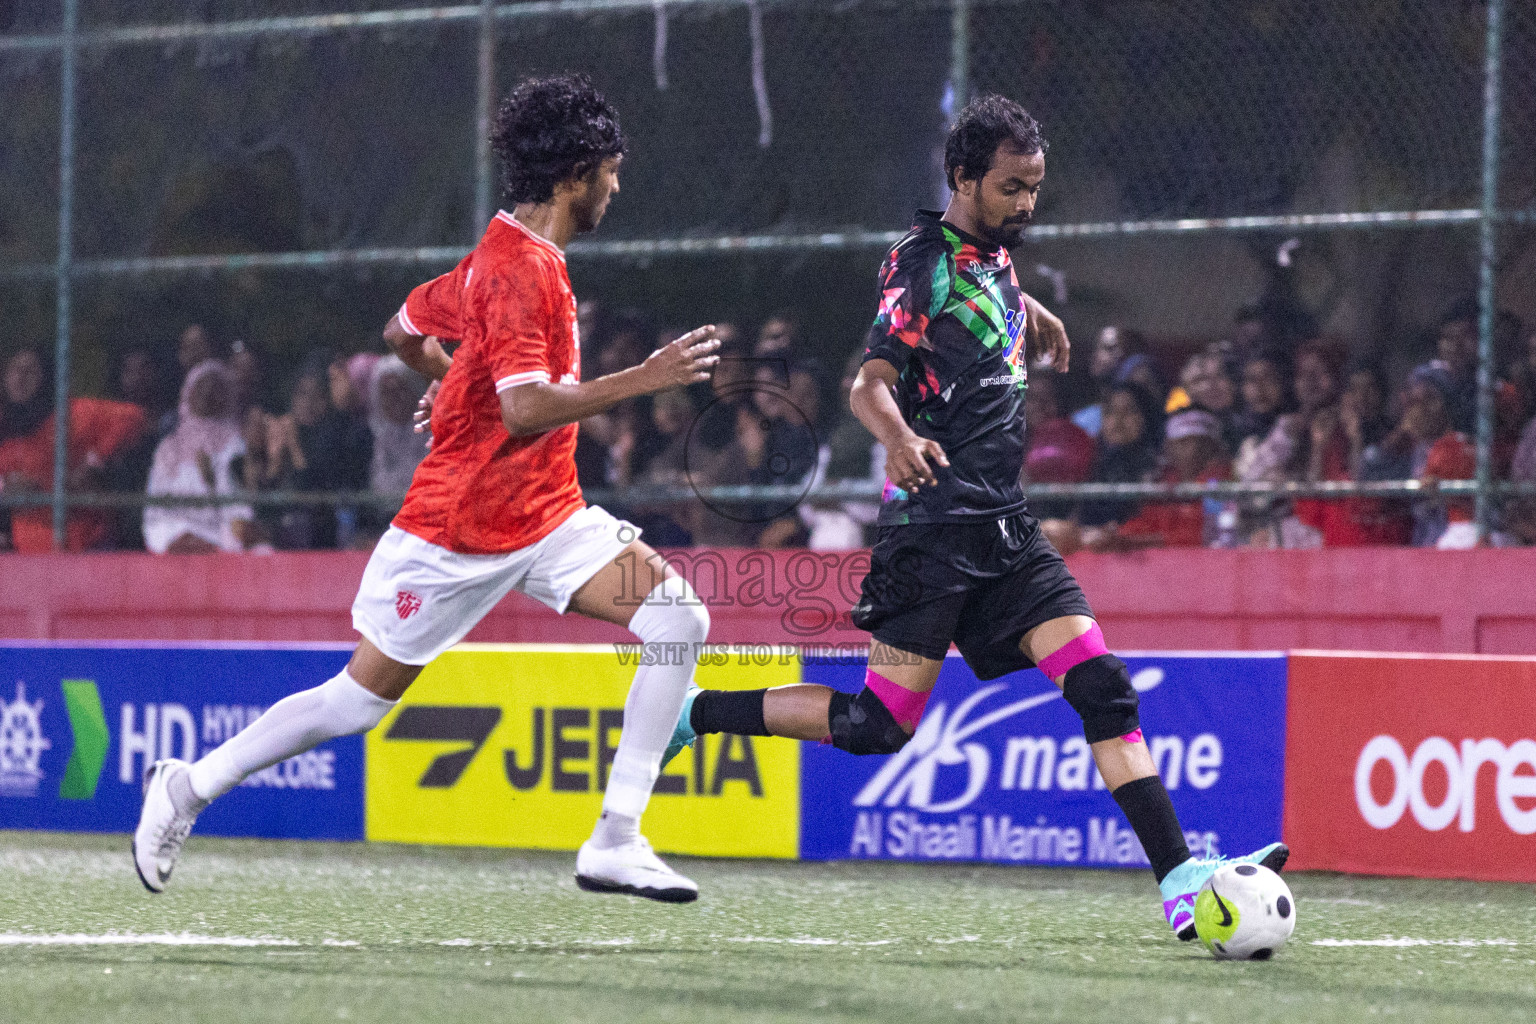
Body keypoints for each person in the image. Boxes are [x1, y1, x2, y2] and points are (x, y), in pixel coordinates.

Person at [660, 94, 1284, 940]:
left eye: (1035, 188)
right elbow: (866, 383)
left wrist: (1036, 312)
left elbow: (982, 303)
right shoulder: (921, 261)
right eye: (1012, 187)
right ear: (963, 180)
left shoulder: (991, 257)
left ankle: (1179, 879)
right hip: (931, 535)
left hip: (1007, 530)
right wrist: (901, 436)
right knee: (875, 726)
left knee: (1102, 687)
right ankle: (697, 713)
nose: (1027, 204)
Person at [133, 74, 723, 903]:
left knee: (676, 616)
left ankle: (616, 838)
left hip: (550, 515)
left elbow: (404, 330)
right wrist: (644, 376)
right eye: (612, 171)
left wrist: (455, 380)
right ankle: (186, 788)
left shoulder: (504, 252)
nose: (617, 188)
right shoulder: (523, 271)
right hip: (458, 531)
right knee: (355, 703)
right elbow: (522, 408)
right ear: (574, 175)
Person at [0, 346, 148, 552]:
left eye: (29, 371)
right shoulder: (6, 426)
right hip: (27, 553)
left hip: (86, 543)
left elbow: (134, 417)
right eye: (14, 370)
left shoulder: (73, 413)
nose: (20, 378)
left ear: (46, 377)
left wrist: (93, 462)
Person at [143, 359, 256, 555]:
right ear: (188, 392)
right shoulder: (168, 448)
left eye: (216, 387)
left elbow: (239, 513)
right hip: (175, 545)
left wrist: (211, 481)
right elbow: (154, 515)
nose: (208, 393)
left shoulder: (236, 445)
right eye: (202, 386)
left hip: (219, 545)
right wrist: (175, 539)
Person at [1071, 325, 1163, 437]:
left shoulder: (1151, 419)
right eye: (1100, 348)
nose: (1097, 355)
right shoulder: (1082, 417)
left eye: (1108, 348)